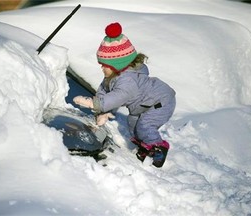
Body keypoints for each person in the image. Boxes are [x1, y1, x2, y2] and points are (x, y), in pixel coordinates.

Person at [73, 22, 176, 168]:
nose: (102, 67)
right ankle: (144, 146)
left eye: (105, 65)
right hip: (143, 105)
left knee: (145, 126)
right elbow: (105, 90)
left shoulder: (128, 80)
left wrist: (94, 103)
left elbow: (119, 96)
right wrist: (103, 112)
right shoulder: (114, 76)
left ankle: (158, 148)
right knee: (133, 126)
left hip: (160, 102)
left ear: (118, 65)